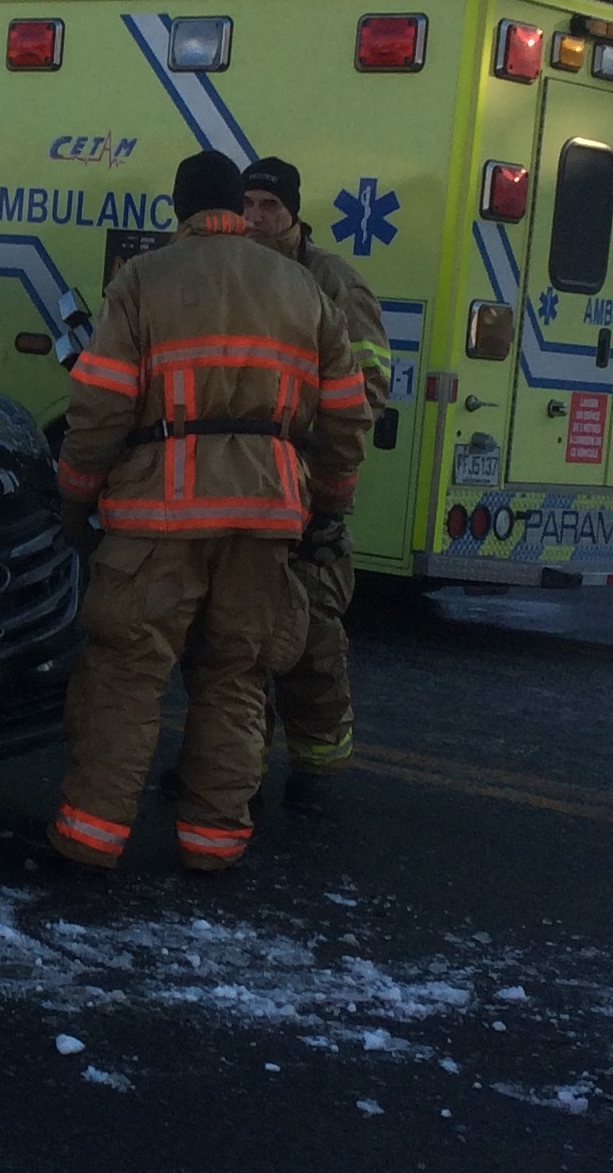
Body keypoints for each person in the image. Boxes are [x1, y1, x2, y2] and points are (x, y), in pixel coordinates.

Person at [47, 150, 370, 873]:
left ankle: (88, 843)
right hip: (266, 518)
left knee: (127, 675)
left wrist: (74, 495)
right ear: (235, 204)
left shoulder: (142, 279)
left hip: (157, 519)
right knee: (236, 676)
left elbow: (97, 406)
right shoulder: (301, 287)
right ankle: (212, 843)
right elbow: (347, 416)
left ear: (179, 207)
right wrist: (325, 505)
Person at [239, 157, 392, 809]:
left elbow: (364, 389)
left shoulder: (333, 283)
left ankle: (317, 771)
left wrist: (323, 482)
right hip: (242, 484)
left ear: (294, 213)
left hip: (302, 486)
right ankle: (233, 769)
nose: (254, 218)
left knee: (312, 641)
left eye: (268, 205)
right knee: (231, 639)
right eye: (245, 203)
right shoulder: (235, 272)